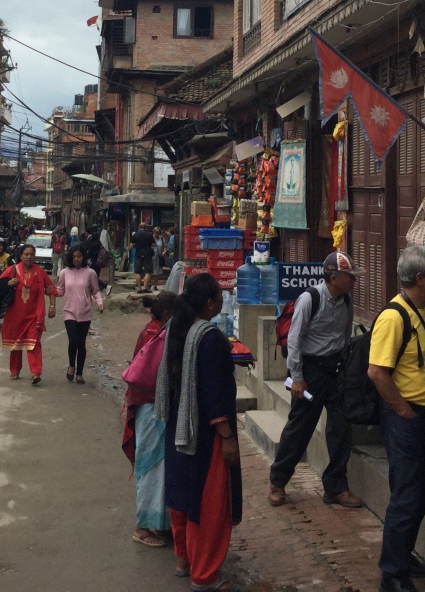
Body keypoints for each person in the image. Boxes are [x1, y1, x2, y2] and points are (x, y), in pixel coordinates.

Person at [367, 244, 425, 592]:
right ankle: (393, 574)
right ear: (420, 278)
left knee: (423, 490)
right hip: (407, 419)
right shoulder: (394, 316)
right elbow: (377, 371)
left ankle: (403, 555)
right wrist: (403, 410)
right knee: (407, 494)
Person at [156, 272, 242, 592]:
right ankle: (204, 575)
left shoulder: (174, 329)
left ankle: (184, 560)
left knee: (181, 496)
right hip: (203, 435)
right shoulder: (210, 338)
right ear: (209, 303)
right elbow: (212, 392)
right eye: (219, 295)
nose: (222, 300)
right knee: (208, 504)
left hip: (176, 426)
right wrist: (226, 435)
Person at [269, 250, 362, 509]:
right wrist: (297, 377)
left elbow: (345, 333)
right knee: (300, 428)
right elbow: (295, 339)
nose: (354, 280)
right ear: (334, 278)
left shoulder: (347, 300)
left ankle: (336, 487)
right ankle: (278, 482)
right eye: (350, 276)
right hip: (310, 371)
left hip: (336, 370)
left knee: (340, 428)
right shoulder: (310, 299)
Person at [123, 290, 177, 548]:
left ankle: (162, 522)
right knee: (151, 467)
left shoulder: (154, 331)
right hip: (151, 407)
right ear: (167, 314)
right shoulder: (158, 336)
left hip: (152, 406)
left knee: (161, 468)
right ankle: (142, 526)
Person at [0, 244, 57, 384]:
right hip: (15, 315)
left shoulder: (40, 272)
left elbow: (51, 289)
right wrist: (8, 283)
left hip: (34, 316)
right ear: (20, 256)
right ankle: (15, 370)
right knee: (16, 343)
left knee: (34, 343)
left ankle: (35, 373)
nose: (29, 257)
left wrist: (52, 306)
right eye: (26, 254)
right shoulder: (12, 270)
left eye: (32, 254)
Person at [55, 246, 104, 383]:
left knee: (81, 343)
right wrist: (49, 291)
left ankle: (80, 373)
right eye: (74, 257)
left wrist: (100, 302)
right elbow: (60, 290)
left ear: (83, 257)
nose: (76, 259)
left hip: (85, 313)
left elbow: (95, 291)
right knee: (73, 341)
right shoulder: (65, 272)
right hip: (69, 312)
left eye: (79, 256)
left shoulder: (90, 273)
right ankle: (72, 365)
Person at [132, 222, 156, 293]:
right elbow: (154, 244)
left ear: (139, 227)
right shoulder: (149, 234)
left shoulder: (135, 235)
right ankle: (145, 287)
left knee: (137, 272)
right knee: (148, 271)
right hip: (147, 254)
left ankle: (139, 288)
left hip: (138, 254)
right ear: (146, 228)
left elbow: (131, 246)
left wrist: (136, 245)